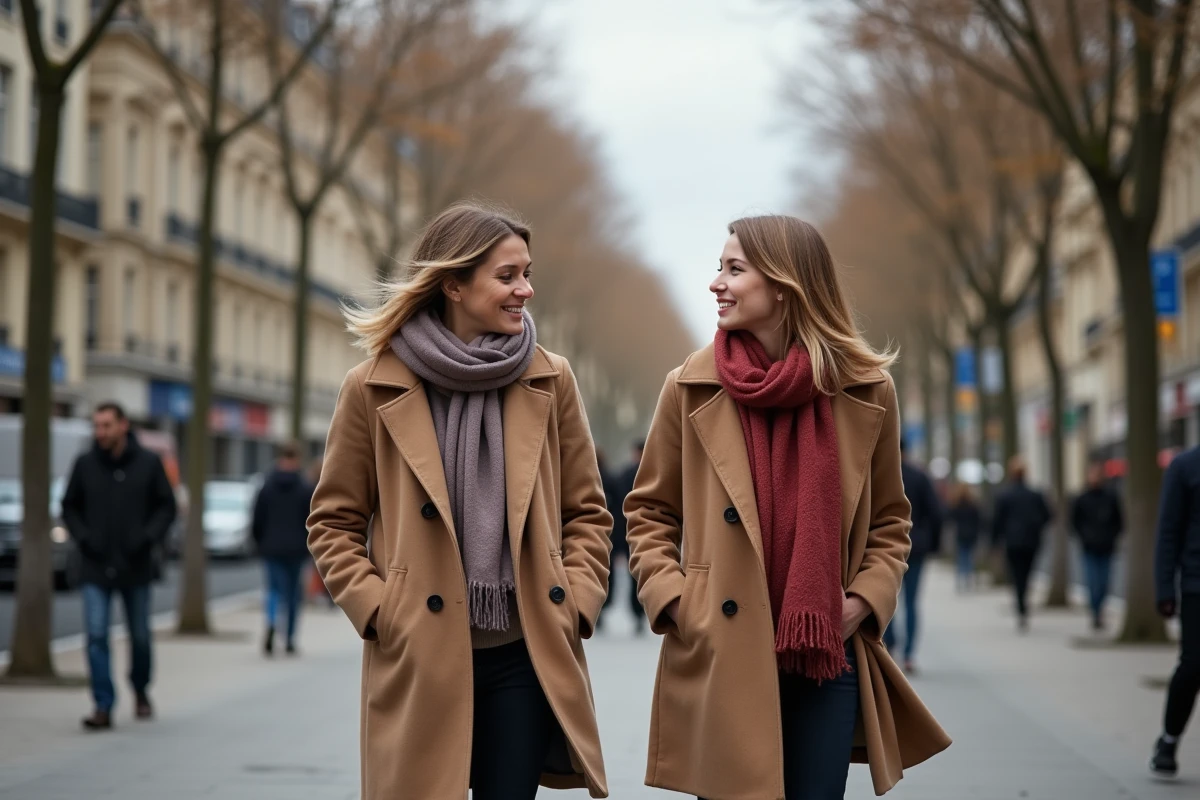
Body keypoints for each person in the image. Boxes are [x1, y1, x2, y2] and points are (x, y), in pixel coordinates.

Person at [625, 215, 949, 800]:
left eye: (734, 269)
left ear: (783, 285)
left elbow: (890, 520)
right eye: (719, 268)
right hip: (721, 648)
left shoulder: (865, 388)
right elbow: (649, 512)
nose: (715, 283)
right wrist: (676, 602)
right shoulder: (688, 386)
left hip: (824, 653)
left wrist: (863, 602)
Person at [307, 202, 612, 800]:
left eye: (527, 273)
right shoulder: (372, 386)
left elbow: (588, 513)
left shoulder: (551, 379)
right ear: (453, 283)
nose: (525, 289)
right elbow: (334, 521)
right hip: (419, 652)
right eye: (507, 276)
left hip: (525, 652)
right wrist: (380, 610)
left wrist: (573, 603)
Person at [61, 402, 177, 731]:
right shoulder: (85, 464)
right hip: (95, 566)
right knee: (96, 635)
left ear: (123, 425)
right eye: (97, 426)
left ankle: (140, 690)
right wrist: (84, 538)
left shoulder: (148, 463)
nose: (101, 432)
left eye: (107, 425)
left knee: (139, 636)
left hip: (135, 565)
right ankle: (102, 704)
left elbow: (166, 506)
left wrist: (147, 538)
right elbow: (69, 506)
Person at [1151, 446, 1200, 778]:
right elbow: (1167, 531)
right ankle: (1169, 739)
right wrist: (1165, 587)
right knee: (1193, 665)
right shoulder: (1185, 467)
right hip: (1197, 584)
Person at [882, 439, 942, 673]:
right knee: (911, 602)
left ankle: (890, 643)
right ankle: (909, 655)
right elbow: (936, 513)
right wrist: (933, 545)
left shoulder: (882, 476)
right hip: (916, 548)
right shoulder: (920, 477)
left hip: (887, 549)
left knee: (887, 599)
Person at [252, 441, 316, 655]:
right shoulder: (305, 488)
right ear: (297, 459)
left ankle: (271, 622)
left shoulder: (266, 486)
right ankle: (288, 638)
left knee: (273, 590)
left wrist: (259, 542)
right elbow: (311, 520)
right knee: (292, 595)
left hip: (271, 547)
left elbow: (257, 518)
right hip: (297, 548)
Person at [992, 456, 1051, 632]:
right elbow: (1047, 515)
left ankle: (1020, 605)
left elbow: (997, 521)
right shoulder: (1035, 495)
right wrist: (1036, 526)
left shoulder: (1004, 496)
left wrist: (995, 541)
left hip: (1012, 541)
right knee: (1027, 573)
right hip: (1031, 541)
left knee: (1017, 575)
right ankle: (1023, 602)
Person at [598, 438, 646, 634]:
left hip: (616, 531)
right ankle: (638, 614)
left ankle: (602, 608)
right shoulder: (649, 474)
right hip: (634, 531)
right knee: (634, 574)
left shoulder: (622, 474)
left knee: (607, 572)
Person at [1070, 461, 1124, 632]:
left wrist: (1113, 536)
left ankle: (1099, 609)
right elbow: (1074, 522)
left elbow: (1119, 521)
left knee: (1105, 582)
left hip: (1107, 546)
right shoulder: (1082, 499)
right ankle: (1095, 612)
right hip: (1089, 547)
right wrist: (1084, 537)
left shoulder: (1111, 497)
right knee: (1092, 581)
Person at [948, 483, 983, 592]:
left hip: (961, 534)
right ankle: (968, 579)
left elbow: (951, 517)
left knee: (961, 557)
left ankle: (960, 580)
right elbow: (979, 520)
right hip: (971, 534)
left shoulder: (957, 505)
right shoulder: (973, 505)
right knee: (969, 557)